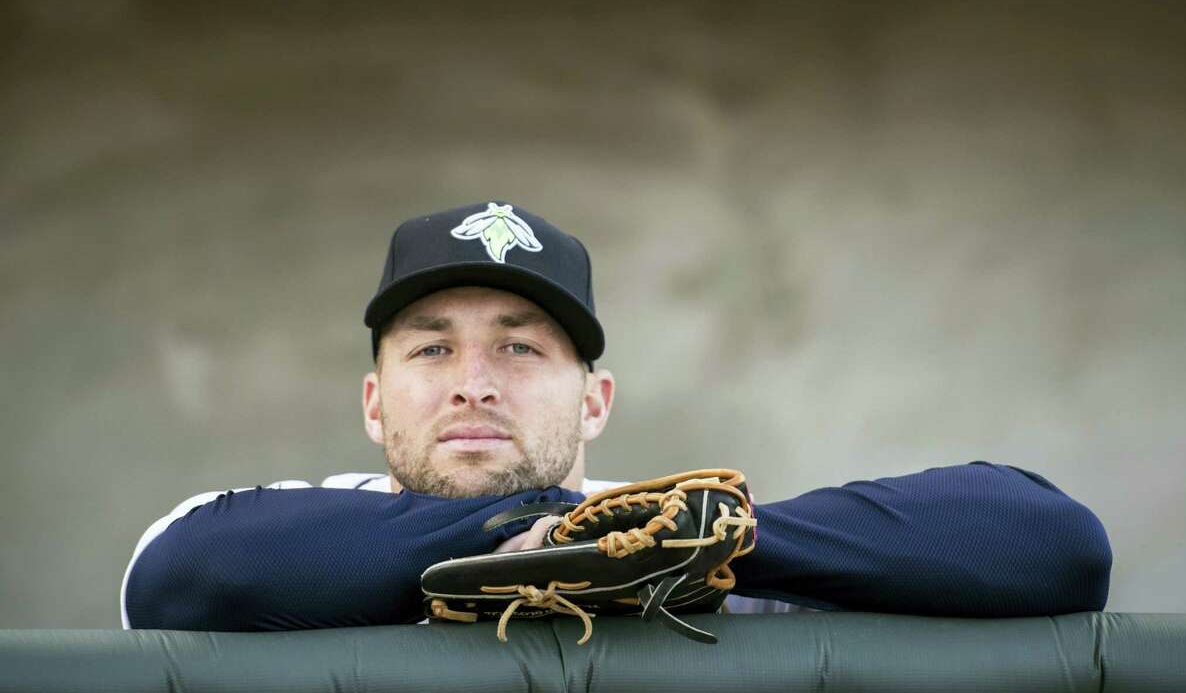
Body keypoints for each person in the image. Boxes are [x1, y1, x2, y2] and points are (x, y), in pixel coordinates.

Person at [121, 201, 1112, 631]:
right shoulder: (288, 526)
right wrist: (536, 537)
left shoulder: (687, 542)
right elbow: (178, 576)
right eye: (431, 347)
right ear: (375, 404)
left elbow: (1054, 547)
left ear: (594, 400)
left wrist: (681, 542)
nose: (474, 381)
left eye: (521, 346)